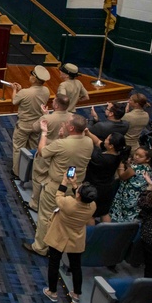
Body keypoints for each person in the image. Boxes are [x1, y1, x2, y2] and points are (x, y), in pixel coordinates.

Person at [27, 114, 94, 257]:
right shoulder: (88, 142)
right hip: (76, 188)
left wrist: (44, 133)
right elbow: (70, 152)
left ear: (71, 128)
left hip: (57, 186)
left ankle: (40, 247)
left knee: (45, 216)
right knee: (63, 217)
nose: (63, 124)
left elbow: (42, 152)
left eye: (65, 123)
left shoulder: (61, 144)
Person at [42, 177, 98, 303]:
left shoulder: (68, 203)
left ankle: (52, 292)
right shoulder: (92, 206)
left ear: (78, 194)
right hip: (76, 238)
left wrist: (63, 182)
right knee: (76, 266)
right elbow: (81, 200)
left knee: (54, 264)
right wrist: (74, 185)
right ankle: (76, 294)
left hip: (59, 236)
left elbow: (58, 196)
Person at [27, 93, 73, 211]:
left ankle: (35, 203)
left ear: (56, 105)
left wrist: (44, 116)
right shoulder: (72, 118)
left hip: (46, 151)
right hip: (63, 153)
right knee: (54, 178)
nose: (52, 102)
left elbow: (35, 128)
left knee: (38, 176)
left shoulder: (47, 119)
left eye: (53, 101)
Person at [10, 66, 52, 178]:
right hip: (37, 124)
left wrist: (15, 90)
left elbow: (15, 101)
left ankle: (17, 172)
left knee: (18, 148)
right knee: (32, 147)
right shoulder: (46, 91)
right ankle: (29, 171)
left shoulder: (24, 92)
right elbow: (32, 97)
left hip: (23, 125)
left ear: (34, 78)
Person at [84, 130, 129, 219]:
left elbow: (90, 153)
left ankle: (91, 232)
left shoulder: (101, 159)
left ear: (111, 146)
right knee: (104, 212)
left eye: (107, 139)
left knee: (91, 215)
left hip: (96, 189)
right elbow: (98, 142)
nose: (104, 140)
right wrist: (88, 133)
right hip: (108, 188)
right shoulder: (117, 154)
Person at [107, 146, 152, 222]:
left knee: (121, 216)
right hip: (138, 197)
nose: (136, 157)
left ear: (148, 159)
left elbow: (122, 176)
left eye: (140, 156)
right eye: (136, 154)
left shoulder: (135, 168)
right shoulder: (148, 167)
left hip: (127, 196)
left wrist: (121, 165)